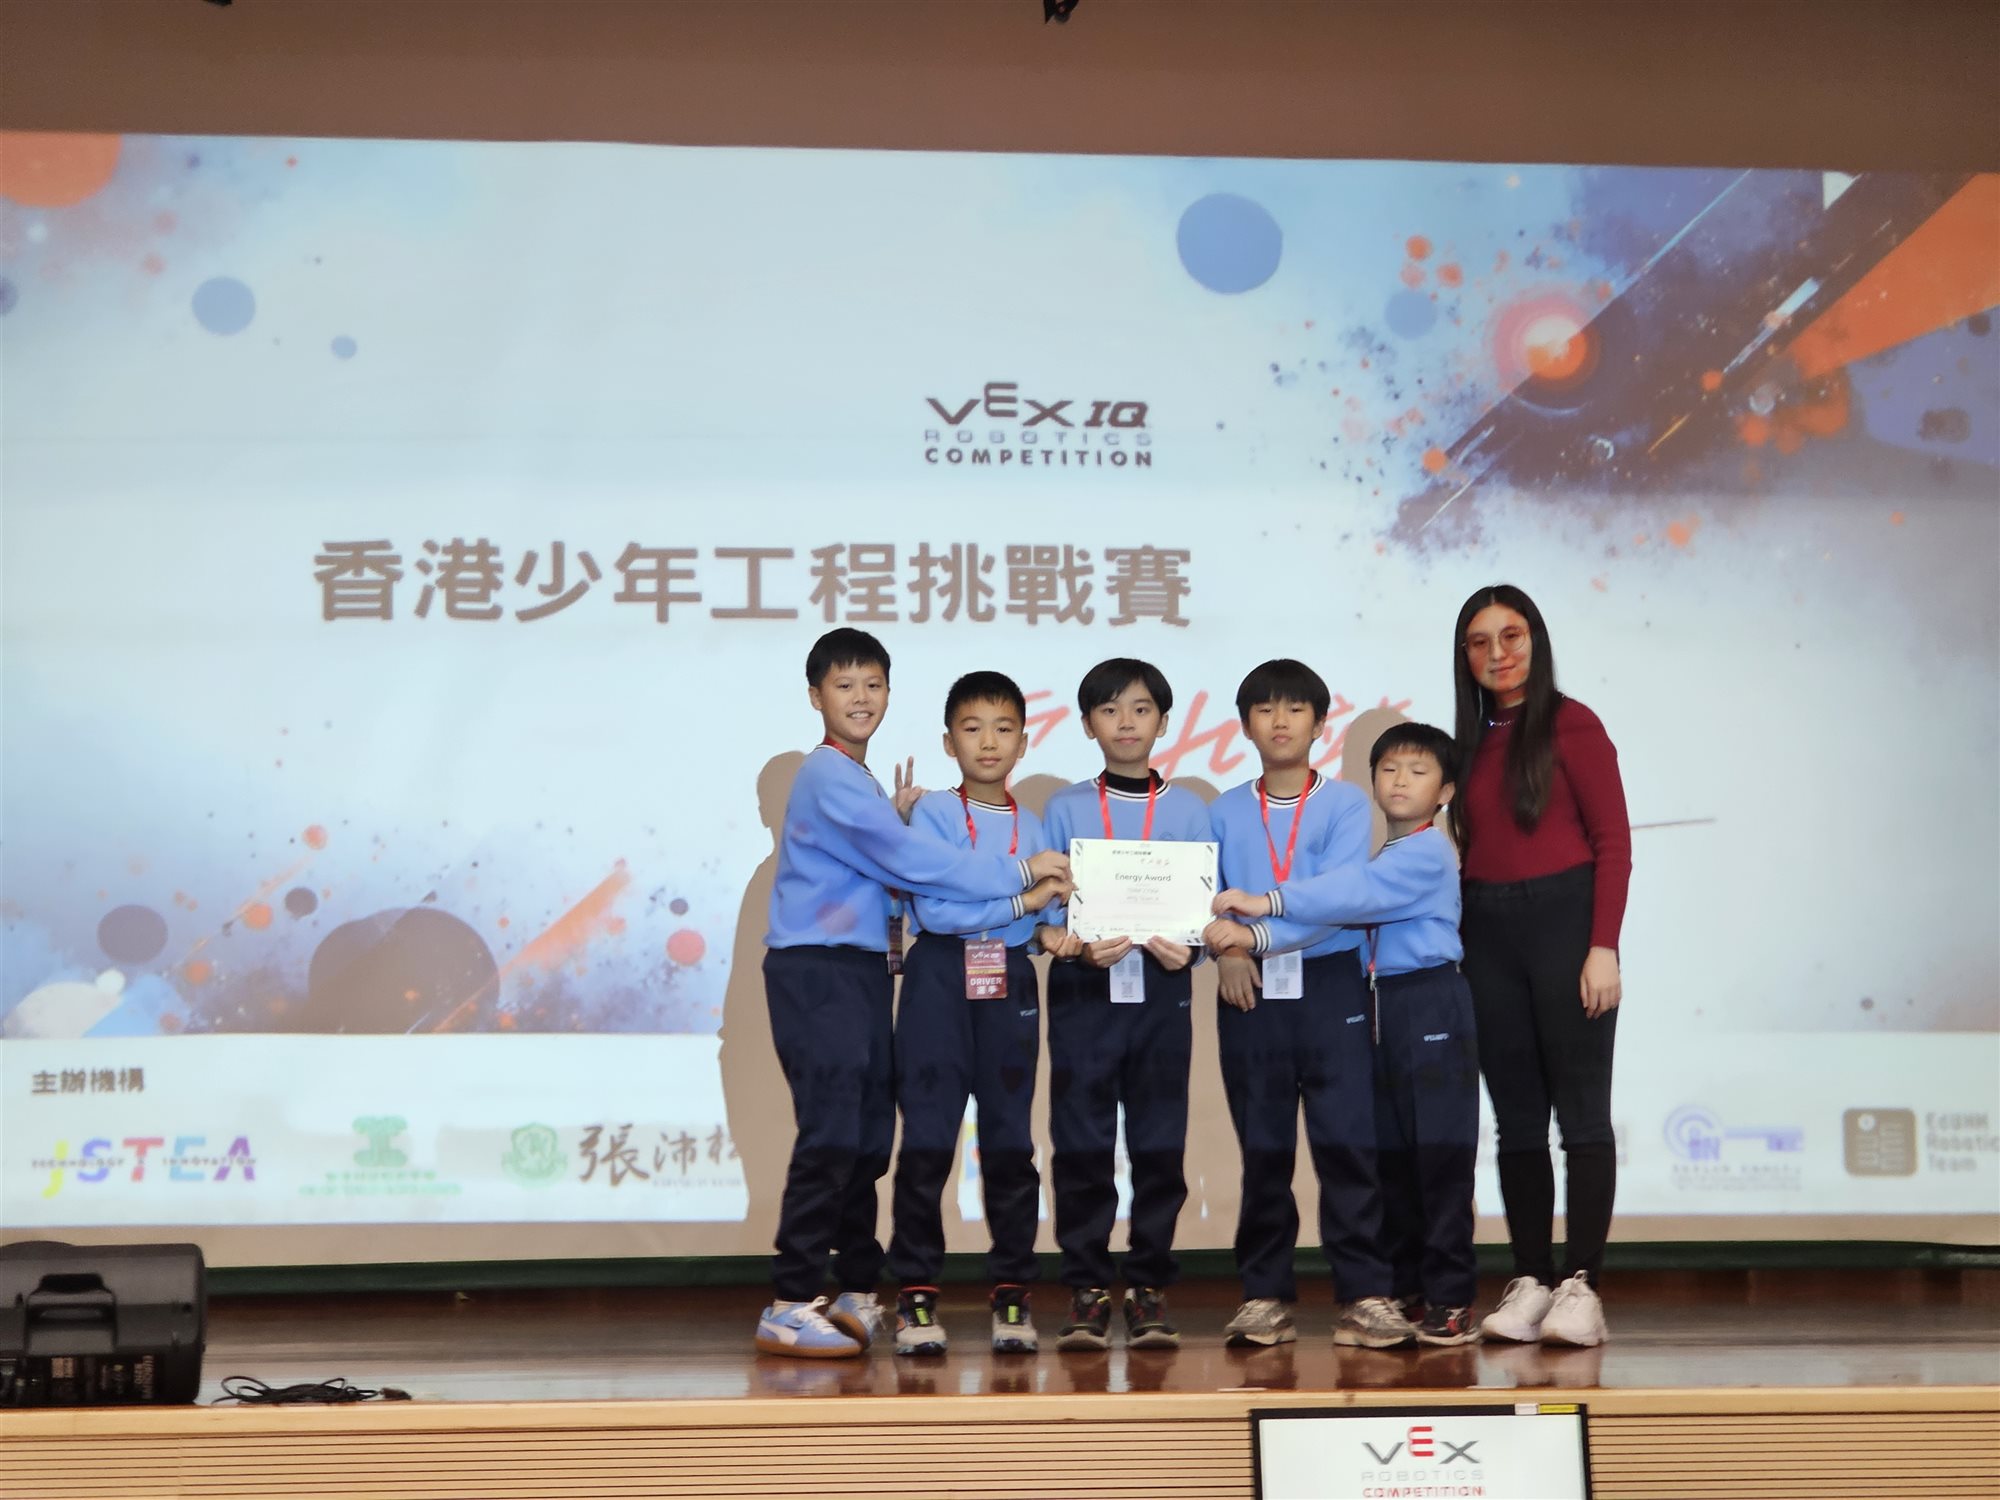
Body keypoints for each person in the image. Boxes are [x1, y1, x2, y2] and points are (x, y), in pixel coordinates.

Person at [757, 630, 1070, 1359]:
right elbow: (912, 864)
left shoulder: (861, 780)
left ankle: (856, 1289)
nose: (860, 698)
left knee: (868, 1137)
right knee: (834, 1134)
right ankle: (791, 1299)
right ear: (815, 696)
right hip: (820, 968)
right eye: (844, 685)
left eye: (873, 684)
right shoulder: (828, 775)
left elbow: (896, 875)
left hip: (864, 969)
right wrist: (1023, 878)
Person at [1208, 720, 1481, 1347]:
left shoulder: (1425, 852)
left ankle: (1451, 1298)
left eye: (1418, 771)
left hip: (1429, 1001)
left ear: (1446, 792)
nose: (1400, 781)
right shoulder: (1385, 849)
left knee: (1439, 1155)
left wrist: (1265, 907)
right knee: (1392, 1158)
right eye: (1389, 769)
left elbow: (1355, 894)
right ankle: (1407, 1288)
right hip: (1380, 1003)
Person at [1203, 660, 1416, 1351]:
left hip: (1329, 986)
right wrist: (1226, 953)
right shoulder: (1222, 811)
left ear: (1320, 724)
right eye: (1265, 710)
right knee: (1263, 1152)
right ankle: (1264, 1296)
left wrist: (1253, 937)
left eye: (1296, 709)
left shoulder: (1347, 805)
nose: (1281, 721)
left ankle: (1366, 1295)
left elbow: (1338, 900)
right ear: (1245, 726)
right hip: (1249, 992)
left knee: (1348, 1147)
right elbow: (1205, 903)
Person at [1452, 585, 1630, 1349]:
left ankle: (1581, 1285)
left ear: (1536, 640)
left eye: (1512, 635)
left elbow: (1613, 842)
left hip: (1566, 922)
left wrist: (1602, 945)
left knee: (1581, 1117)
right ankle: (1531, 1277)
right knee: (1517, 1121)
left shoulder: (1572, 723)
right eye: (1480, 641)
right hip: (1486, 931)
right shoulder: (1466, 742)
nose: (1497, 653)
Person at [887, 671, 1068, 1357]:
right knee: (928, 1141)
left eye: (1003, 728)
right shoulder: (933, 813)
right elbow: (936, 910)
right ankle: (915, 1295)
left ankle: (1012, 1293)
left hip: (1009, 979)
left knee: (1010, 1143)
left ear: (1024, 741)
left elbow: (1044, 919)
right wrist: (1024, 902)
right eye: (972, 728)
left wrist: (1052, 928)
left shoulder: (1036, 825)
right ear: (948, 742)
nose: (988, 742)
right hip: (938, 976)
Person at [1036, 658, 1214, 1351]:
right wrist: (1072, 945)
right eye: (1109, 711)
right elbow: (1050, 907)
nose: (1126, 723)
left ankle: (1147, 1288)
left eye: (1141, 709)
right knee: (1081, 1142)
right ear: (1088, 726)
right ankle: (1085, 1287)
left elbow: (1205, 912)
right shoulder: (1064, 807)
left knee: (1158, 1142)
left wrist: (1191, 953)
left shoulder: (1191, 809)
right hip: (1086, 988)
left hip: (1161, 989)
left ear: (1163, 722)